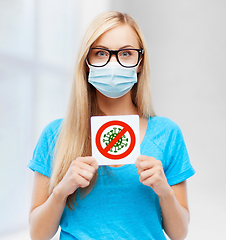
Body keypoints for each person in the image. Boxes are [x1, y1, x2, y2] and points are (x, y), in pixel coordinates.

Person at [28, 11, 195, 240]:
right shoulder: (56, 135)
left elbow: (180, 233)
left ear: (140, 62)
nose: (114, 63)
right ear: (87, 62)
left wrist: (164, 190)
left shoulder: (167, 133)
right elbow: (37, 234)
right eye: (101, 53)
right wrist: (61, 191)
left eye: (126, 53)